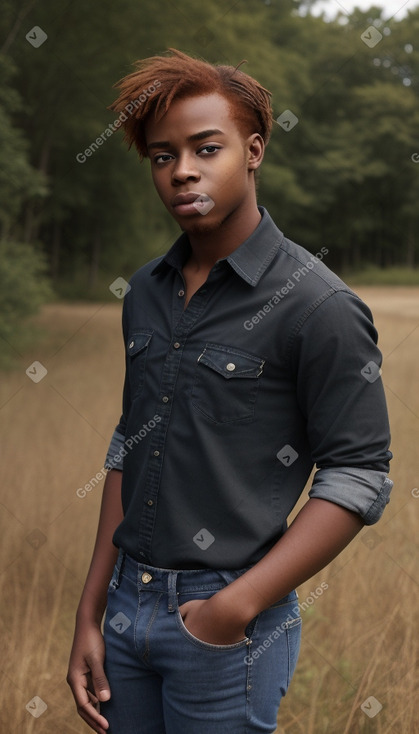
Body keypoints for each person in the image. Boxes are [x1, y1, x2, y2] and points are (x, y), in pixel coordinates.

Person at [67, 48, 393, 734]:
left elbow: (358, 473)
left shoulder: (318, 307)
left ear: (252, 150)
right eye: (162, 156)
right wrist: (90, 613)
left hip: (223, 626)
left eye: (204, 148)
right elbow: (129, 444)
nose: (182, 170)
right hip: (127, 606)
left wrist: (233, 608)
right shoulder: (145, 294)